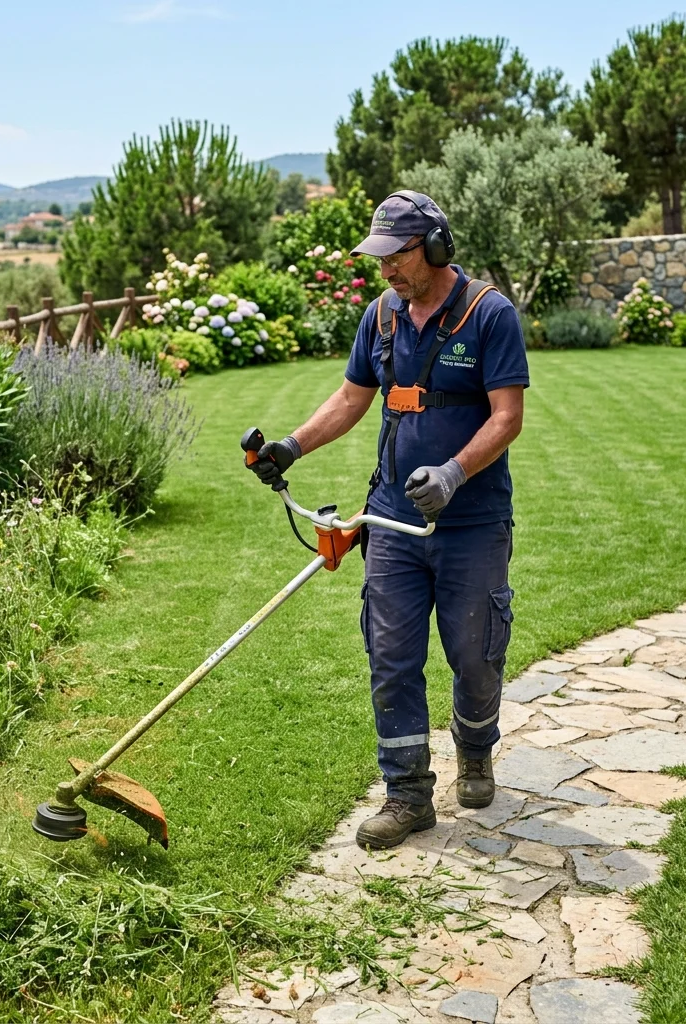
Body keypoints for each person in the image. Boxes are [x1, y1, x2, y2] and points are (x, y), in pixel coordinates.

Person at [247, 191, 529, 849]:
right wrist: (291, 445)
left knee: (475, 655)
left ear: (433, 249)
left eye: (396, 256)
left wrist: (455, 472)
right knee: (392, 658)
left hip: (472, 523)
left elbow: (507, 416)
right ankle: (406, 796)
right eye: (377, 259)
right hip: (394, 523)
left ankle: (476, 745)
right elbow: (352, 397)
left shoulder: (490, 316)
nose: (385, 271)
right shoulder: (381, 318)